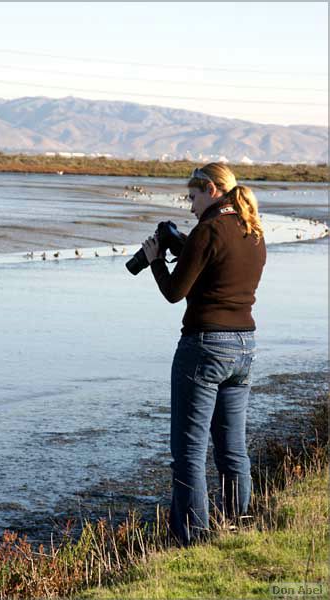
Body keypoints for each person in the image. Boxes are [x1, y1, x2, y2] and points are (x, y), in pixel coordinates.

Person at [142, 162, 266, 546]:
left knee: (189, 452)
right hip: (244, 345)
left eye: (193, 197)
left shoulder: (209, 230)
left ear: (212, 190)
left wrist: (155, 261)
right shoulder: (253, 231)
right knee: (232, 449)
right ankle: (239, 524)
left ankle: (193, 539)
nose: (190, 206)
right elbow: (217, 275)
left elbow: (175, 292)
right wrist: (183, 246)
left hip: (204, 346)